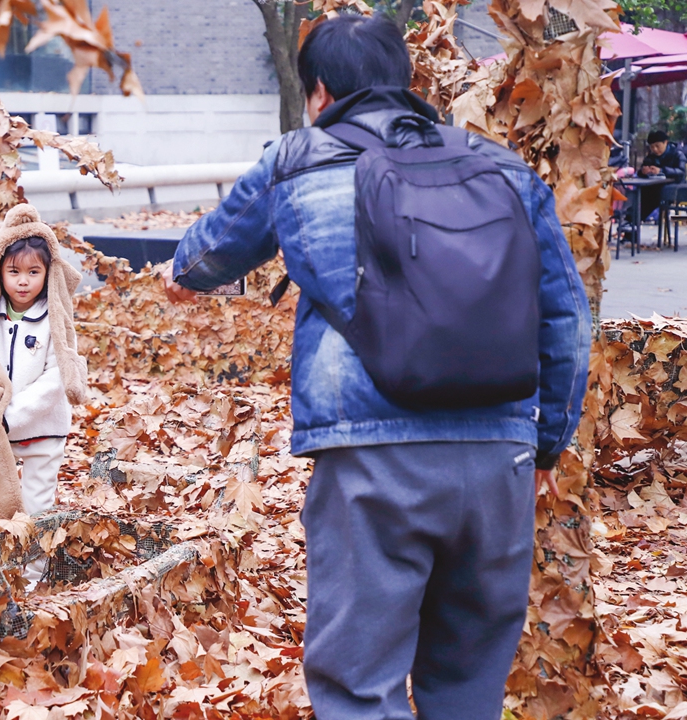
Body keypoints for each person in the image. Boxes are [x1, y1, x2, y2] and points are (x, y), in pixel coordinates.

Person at [162, 14, 590, 720]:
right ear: (405, 80)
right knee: (469, 684)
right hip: (500, 461)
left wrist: (182, 275)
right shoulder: (505, 171)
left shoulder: (297, 161)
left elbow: (205, 257)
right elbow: (567, 320)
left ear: (321, 92)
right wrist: (545, 442)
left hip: (370, 458)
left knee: (360, 686)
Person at [0, 204, 88, 585]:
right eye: (14, 272)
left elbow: (55, 377)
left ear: (48, 273)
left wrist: (14, 413)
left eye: (33, 272)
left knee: (35, 507)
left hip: (42, 430)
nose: (23, 282)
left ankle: (31, 578)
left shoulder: (53, 319)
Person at [637, 130, 687, 220]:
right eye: (652, 147)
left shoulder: (677, 154)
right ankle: (633, 219)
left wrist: (662, 170)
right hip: (656, 186)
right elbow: (641, 171)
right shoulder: (651, 156)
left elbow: (681, 172)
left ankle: (635, 218)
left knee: (652, 194)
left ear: (665, 142)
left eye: (657, 146)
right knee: (642, 191)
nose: (655, 149)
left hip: (675, 187)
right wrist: (643, 171)